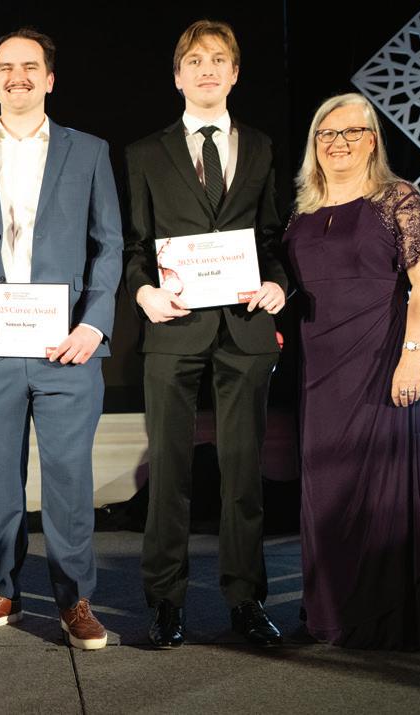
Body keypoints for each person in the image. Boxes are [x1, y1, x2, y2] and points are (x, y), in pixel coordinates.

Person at [0, 28, 123, 650]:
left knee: (69, 481)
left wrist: (93, 324)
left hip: (66, 348)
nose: (16, 76)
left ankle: (74, 600)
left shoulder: (88, 151)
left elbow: (109, 244)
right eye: (5, 67)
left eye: (29, 66)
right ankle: (1, 591)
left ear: (49, 78)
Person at [123, 20, 288, 649]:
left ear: (235, 73)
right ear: (177, 75)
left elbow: (270, 238)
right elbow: (136, 245)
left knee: (243, 474)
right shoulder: (145, 153)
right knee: (169, 474)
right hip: (174, 326)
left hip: (245, 327)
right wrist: (144, 293)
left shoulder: (262, 147)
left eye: (219, 59)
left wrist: (278, 285)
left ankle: (245, 600)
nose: (207, 69)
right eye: (195, 60)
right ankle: (165, 603)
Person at [284, 93, 420, 650]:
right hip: (318, 367)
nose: (339, 143)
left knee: (376, 492)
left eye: (352, 132)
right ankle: (329, 614)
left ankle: (383, 619)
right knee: (325, 490)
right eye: (327, 134)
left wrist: (412, 356)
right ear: (315, 144)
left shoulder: (397, 198)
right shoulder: (302, 209)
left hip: (379, 362)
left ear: (372, 140)